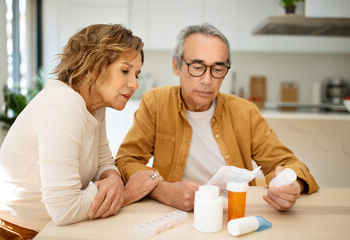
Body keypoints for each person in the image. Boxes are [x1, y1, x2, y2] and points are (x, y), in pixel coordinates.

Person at [115, 23, 319, 212]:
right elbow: (126, 160)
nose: (207, 80)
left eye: (218, 69)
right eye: (197, 67)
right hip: (174, 212)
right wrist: (164, 190)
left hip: (235, 212)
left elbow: (289, 163)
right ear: (177, 66)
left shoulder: (244, 112)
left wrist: (293, 185)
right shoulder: (156, 103)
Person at [0, 24, 163, 239]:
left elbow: (104, 162)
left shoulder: (95, 105)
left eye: (137, 75)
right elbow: (64, 210)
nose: (134, 84)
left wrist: (112, 178)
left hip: (48, 229)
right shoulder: (65, 104)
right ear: (94, 66)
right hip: (15, 232)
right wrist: (126, 194)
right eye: (125, 71)